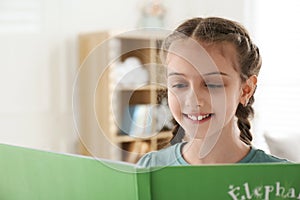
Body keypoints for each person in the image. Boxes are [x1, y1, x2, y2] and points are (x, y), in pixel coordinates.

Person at [136, 16, 289, 168]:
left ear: (245, 90)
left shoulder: (283, 176)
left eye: (212, 84)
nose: (193, 100)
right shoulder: (149, 167)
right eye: (180, 84)